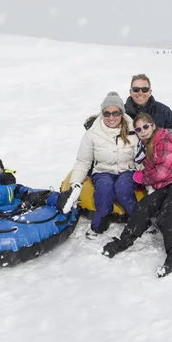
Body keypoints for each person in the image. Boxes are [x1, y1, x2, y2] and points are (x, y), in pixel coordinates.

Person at [102, 113, 172, 277]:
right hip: (167, 185)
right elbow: (157, 173)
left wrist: (144, 178)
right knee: (144, 205)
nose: (143, 131)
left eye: (146, 126)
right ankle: (123, 242)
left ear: (153, 126)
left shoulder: (164, 141)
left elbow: (163, 172)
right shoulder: (145, 147)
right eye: (138, 129)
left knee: (168, 213)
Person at [62, 92, 139, 238]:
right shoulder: (93, 133)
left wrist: (150, 180)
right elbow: (83, 161)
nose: (111, 117)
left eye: (116, 113)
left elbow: (139, 158)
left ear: (121, 113)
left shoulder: (133, 129)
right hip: (103, 170)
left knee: (123, 187)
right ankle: (100, 223)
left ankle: (138, 221)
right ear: (102, 113)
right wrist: (76, 183)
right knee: (104, 188)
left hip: (127, 170)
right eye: (107, 113)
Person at [0, 150, 64, 220]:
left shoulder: (7, 180)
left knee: (37, 196)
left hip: (17, 208)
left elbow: (17, 190)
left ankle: (61, 200)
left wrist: (27, 192)